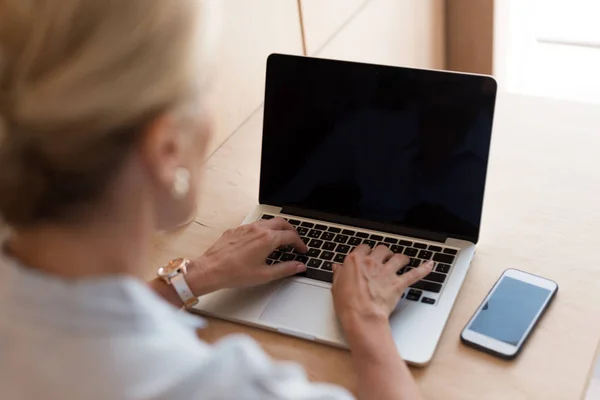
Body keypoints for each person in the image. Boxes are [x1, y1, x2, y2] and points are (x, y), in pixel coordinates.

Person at [0, 1, 433, 399]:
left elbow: (69, 326)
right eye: (203, 88)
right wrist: (368, 323)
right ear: (167, 148)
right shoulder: (215, 386)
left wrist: (187, 279)